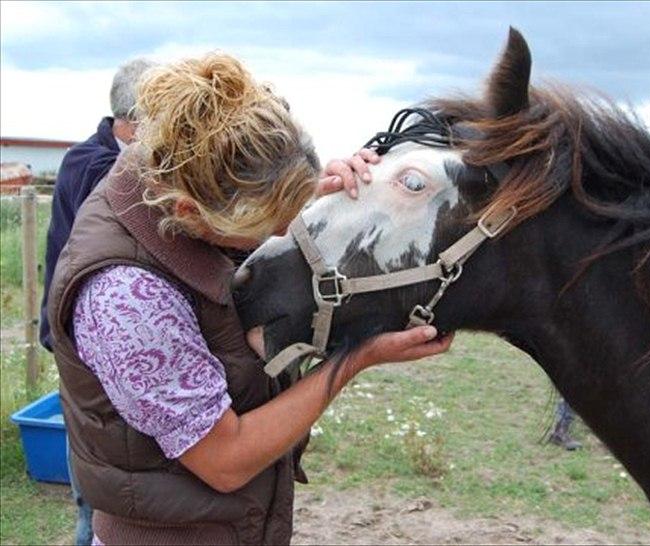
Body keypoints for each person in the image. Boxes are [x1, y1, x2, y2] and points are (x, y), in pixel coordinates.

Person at [47, 53, 453, 546]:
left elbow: (230, 203)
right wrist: (356, 359)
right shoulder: (127, 300)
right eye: (265, 224)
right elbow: (226, 460)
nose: (282, 232)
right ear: (188, 211)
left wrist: (307, 190)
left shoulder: (164, 171)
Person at [37, 58, 155, 546]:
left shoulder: (104, 154)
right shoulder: (96, 164)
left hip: (102, 331)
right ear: (134, 121)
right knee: (99, 457)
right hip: (88, 336)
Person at [40, 57, 156, 352]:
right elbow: (137, 189)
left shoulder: (104, 155)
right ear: (134, 127)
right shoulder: (89, 162)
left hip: (103, 321)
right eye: (162, 119)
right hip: (79, 326)